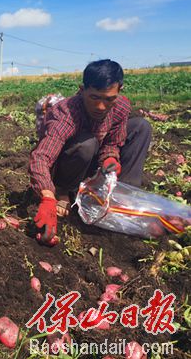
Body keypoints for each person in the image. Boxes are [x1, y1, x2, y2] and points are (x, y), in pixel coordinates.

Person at [29, 59, 152, 244]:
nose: (101, 106)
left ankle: (122, 198)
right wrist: (47, 195)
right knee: (87, 143)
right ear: (82, 89)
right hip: (67, 166)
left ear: (120, 90)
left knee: (141, 127)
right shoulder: (66, 113)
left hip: (92, 163)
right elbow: (41, 156)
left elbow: (112, 142)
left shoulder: (120, 107)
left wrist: (110, 158)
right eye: (94, 97)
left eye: (109, 99)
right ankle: (65, 190)